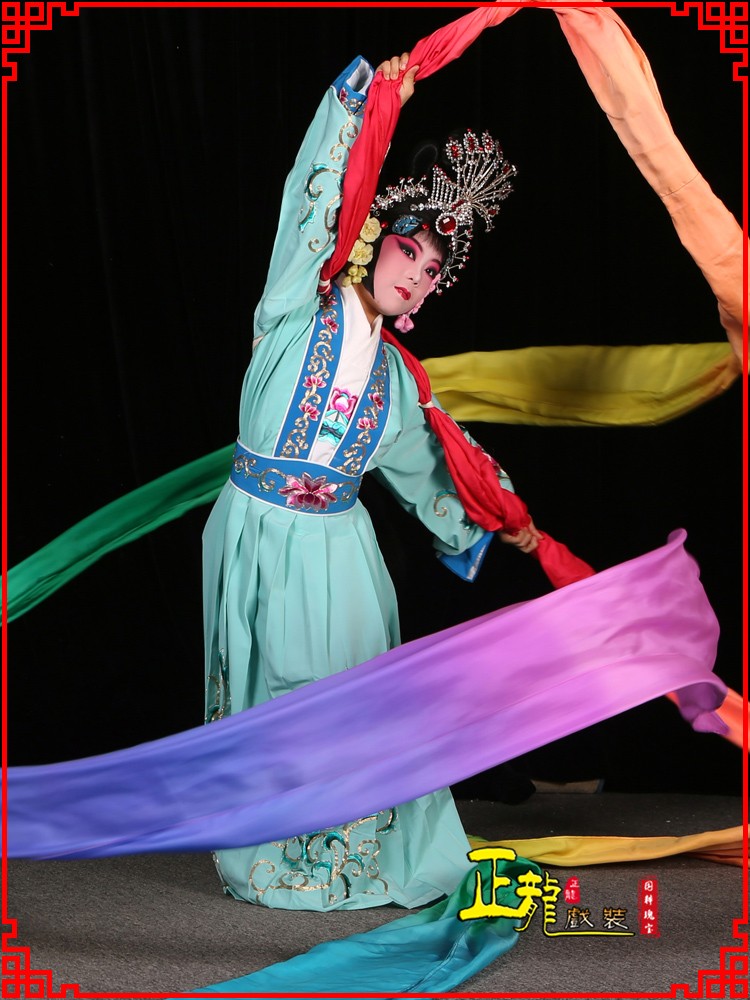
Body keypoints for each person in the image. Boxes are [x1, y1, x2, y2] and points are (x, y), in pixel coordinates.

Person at [202, 51, 541, 911]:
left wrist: (500, 515)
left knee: (353, 694)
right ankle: (274, 849)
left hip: (342, 549)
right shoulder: (293, 308)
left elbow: (436, 468)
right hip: (258, 529)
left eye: (430, 271)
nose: (414, 273)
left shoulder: (397, 383)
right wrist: (358, 107)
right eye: (408, 250)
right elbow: (308, 203)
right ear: (377, 238)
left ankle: (351, 852)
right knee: (269, 691)